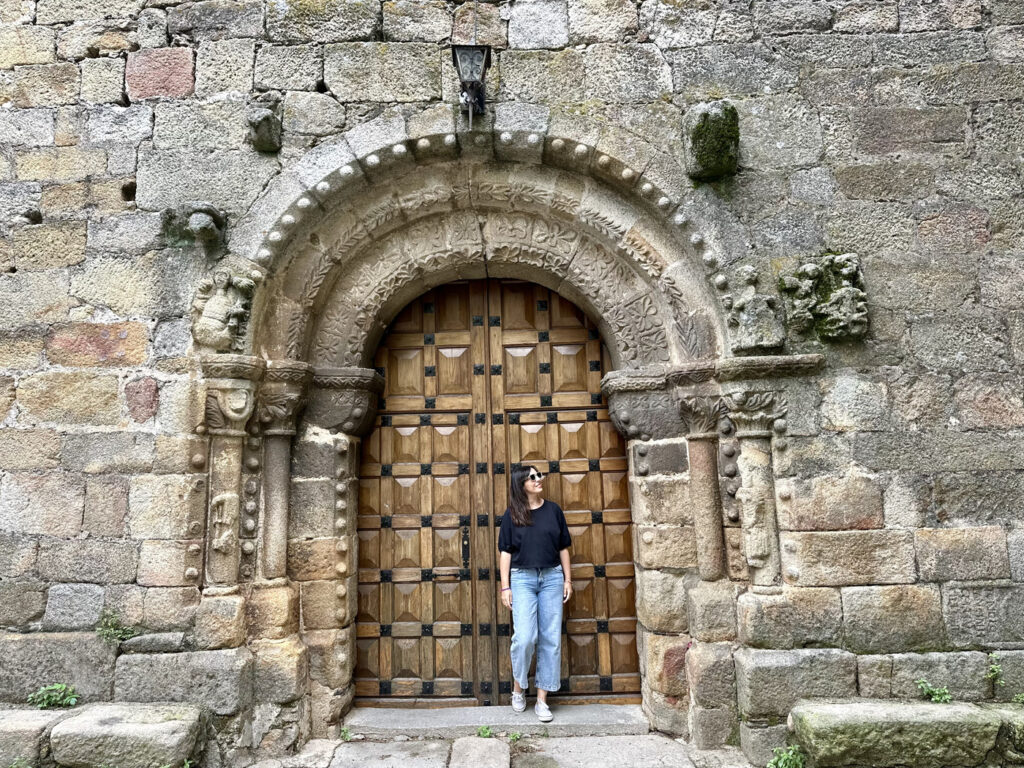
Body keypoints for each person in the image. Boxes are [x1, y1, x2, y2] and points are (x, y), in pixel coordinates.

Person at [498, 464, 573, 722]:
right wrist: (505, 586)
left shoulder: (553, 510)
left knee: (551, 639)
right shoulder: (512, 515)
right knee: (525, 638)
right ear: (522, 484)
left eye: (539, 474)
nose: (538, 479)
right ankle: (519, 687)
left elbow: (563, 547)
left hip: (552, 577)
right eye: (532, 477)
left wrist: (568, 579)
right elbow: (505, 552)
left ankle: (542, 700)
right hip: (522, 579)